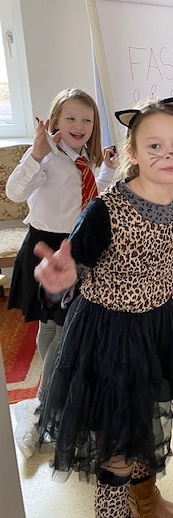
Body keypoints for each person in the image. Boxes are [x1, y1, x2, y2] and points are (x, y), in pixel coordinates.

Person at [33, 97, 173, 518]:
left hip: (156, 324)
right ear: (133, 153)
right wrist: (60, 278)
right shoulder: (106, 210)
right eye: (154, 146)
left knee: (145, 415)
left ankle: (145, 499)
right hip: (109, 332)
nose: (169, 154)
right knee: (117, 439)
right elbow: (74, 263)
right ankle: (112, 511)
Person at [6, 88, 116, 458]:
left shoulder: (87, 160)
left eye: (87, 119)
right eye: (71, 118)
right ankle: (44, 406)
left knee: (66, 327)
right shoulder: (47, 157)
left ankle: (48, 401)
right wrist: (36, 154)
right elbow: (15, 192)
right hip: (45, 247)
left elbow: (92, 200)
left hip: (76, 250)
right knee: (53, 328)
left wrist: (107, 169)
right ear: (55, 121)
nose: (79, 125)